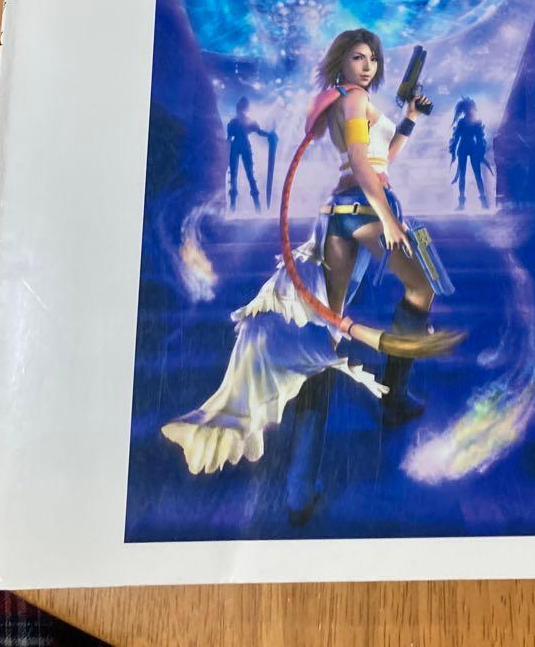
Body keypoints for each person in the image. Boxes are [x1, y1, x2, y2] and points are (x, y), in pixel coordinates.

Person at [162, 29, 454, 525]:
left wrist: (408, 119)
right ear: (341, 62)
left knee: (328, 335)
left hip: (351, 210)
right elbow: (360, 162)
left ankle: (305, 480)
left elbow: (380, 160)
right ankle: (381, 410)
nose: (367, 65)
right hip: (360, 211)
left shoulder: (352, 100)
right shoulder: (353, 99)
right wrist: (387, 218)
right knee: (406, 295)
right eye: (357, 57)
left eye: (372, 58)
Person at [226, 96, 274, 212]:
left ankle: (254, 208)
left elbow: (259, 132)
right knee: (237, 176)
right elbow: (259, 132)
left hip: (239, 147)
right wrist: (269, 135)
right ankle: (243, 208)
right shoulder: (236, 122)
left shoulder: (236, 122)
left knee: (244, 175)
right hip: (240, 147)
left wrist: (269, 135)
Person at [449, 97, 490, 209]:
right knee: (463, 175)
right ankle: (463, 203)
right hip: (465, 148)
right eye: (467, 108)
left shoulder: (475, 122)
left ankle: (482, 202)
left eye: (469, 107)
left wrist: (481, 151)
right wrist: (453, 151)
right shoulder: (463, 122)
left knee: (477, 174)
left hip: (471, 147)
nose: (468, 110)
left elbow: (480, 138)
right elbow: (456, 137)